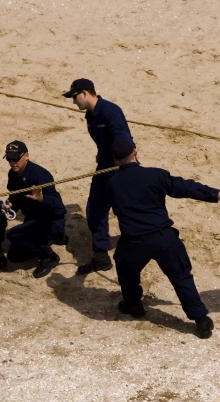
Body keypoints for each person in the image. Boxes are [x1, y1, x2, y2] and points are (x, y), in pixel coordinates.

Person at [106, 138, 220, 339]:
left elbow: (99, 211)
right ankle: (200, 320)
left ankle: (133, 304)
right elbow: (184, 188)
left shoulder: (111, 183)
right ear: (135, 151)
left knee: (125, 268)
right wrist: (214, 194)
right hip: (163, 238)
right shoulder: (155, 175)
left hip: (134, 241)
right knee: (181, 276)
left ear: (114, 159)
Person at [63, 78, 134, 274]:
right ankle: (101, 256)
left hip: (120, 166)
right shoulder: (91, 115)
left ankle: (141, 243)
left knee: (127, 209)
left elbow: (124, 140)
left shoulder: (110, 111)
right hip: (104, 165)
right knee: (95, 210)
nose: (73, 101)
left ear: (85, 93)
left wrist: (120, 165)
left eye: (75, 97)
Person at [2, 140, 67, 279]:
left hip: (51, 219)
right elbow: (15, 196)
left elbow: (59, 207)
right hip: (33, 218)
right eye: (9, 159)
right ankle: (50, 239)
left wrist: (42, 199)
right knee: (14, 256)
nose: (13, 163)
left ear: (26, 156)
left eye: (16, 159)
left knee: (14, 235)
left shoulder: (40, 176)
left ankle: (49, 256)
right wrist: (11, 204)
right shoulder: (13, 174)